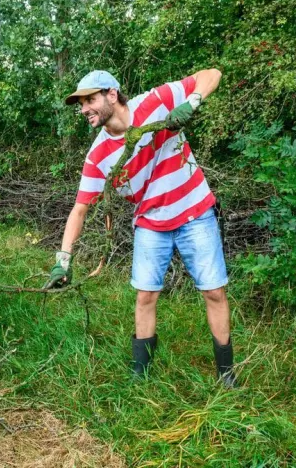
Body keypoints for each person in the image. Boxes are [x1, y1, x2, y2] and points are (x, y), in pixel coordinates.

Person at [44, 69, 236, 387]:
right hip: (150, 223)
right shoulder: (98, 156)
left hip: (195, 211)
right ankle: (140, 373)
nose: (84, 109)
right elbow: (79, 210)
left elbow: (212, 74)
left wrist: (192, 102)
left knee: (214, 292)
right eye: (80, 103)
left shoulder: (155, 101)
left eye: (89, 99)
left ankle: (226, 374)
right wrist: (62, 262)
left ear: (111, 94)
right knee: (145, 297)